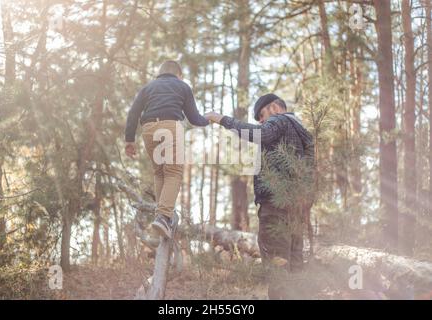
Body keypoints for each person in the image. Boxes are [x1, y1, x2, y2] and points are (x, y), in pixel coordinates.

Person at [205, 93, 315, 299]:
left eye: (261, 115)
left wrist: (221, 119)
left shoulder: (279, 120)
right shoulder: (303, 133)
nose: (262, 121)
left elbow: (261, 134)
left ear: (274, 107)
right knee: (296, 271)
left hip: (275, 207)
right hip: (298, 212)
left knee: (277, 270)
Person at [124, 60, 209, 239]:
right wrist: (209, 119)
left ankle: (157, 229)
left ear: (159, 73)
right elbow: (194, 118)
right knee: (173, 173)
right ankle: (163, 217)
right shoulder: (182, 86)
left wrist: (129, 140)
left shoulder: (147, 88)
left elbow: (133, 113)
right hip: (170, 127)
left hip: (149, 130)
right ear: (178, 73)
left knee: (159, 173)